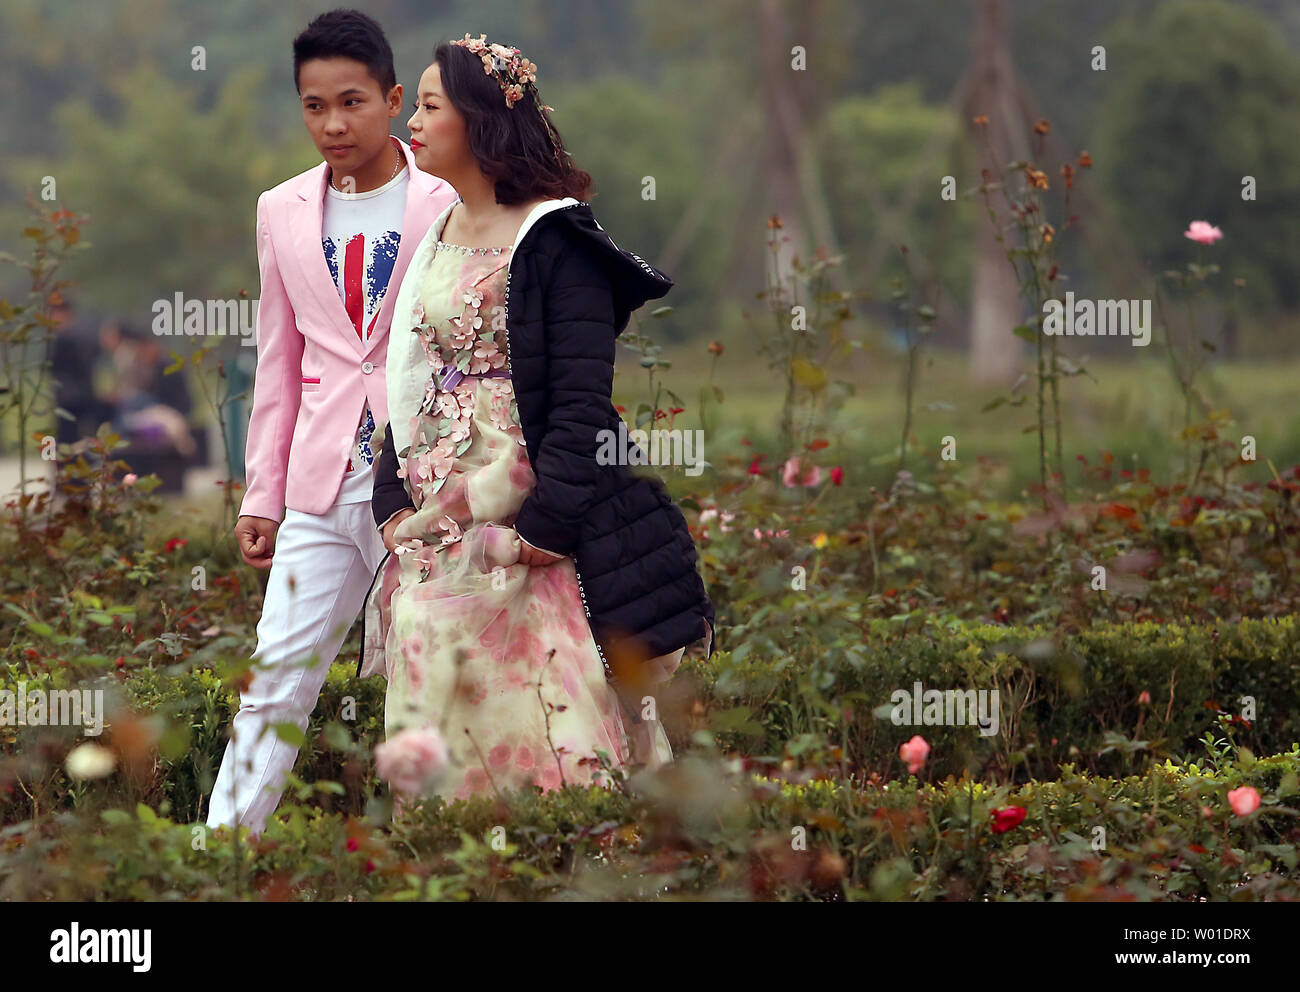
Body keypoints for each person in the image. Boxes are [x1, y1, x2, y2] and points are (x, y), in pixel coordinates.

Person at [360, 33, 714, 805]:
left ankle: (556, 849)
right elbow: (410, 372)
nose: (409, 123)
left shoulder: (557, 242)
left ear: (482, 120)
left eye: (427, 106)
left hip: (522, 518)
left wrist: (544, 531)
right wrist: (390, 500)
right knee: (433, 673)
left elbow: (583, 400)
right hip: (435, 520)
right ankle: (443, 858)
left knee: (536, 692)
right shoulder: (438, 236)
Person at [207, 9, 458, 836]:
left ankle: (443, 858)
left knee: (430, 680)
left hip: (426, 486)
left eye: (351, 102)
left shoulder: (448, 200)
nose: (333, 124)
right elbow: (277, 362)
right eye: (314, 107)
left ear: (392, 101)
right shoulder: (279, 209)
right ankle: (217, 860)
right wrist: (261, 496)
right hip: (318, 484)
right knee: (278, 676)